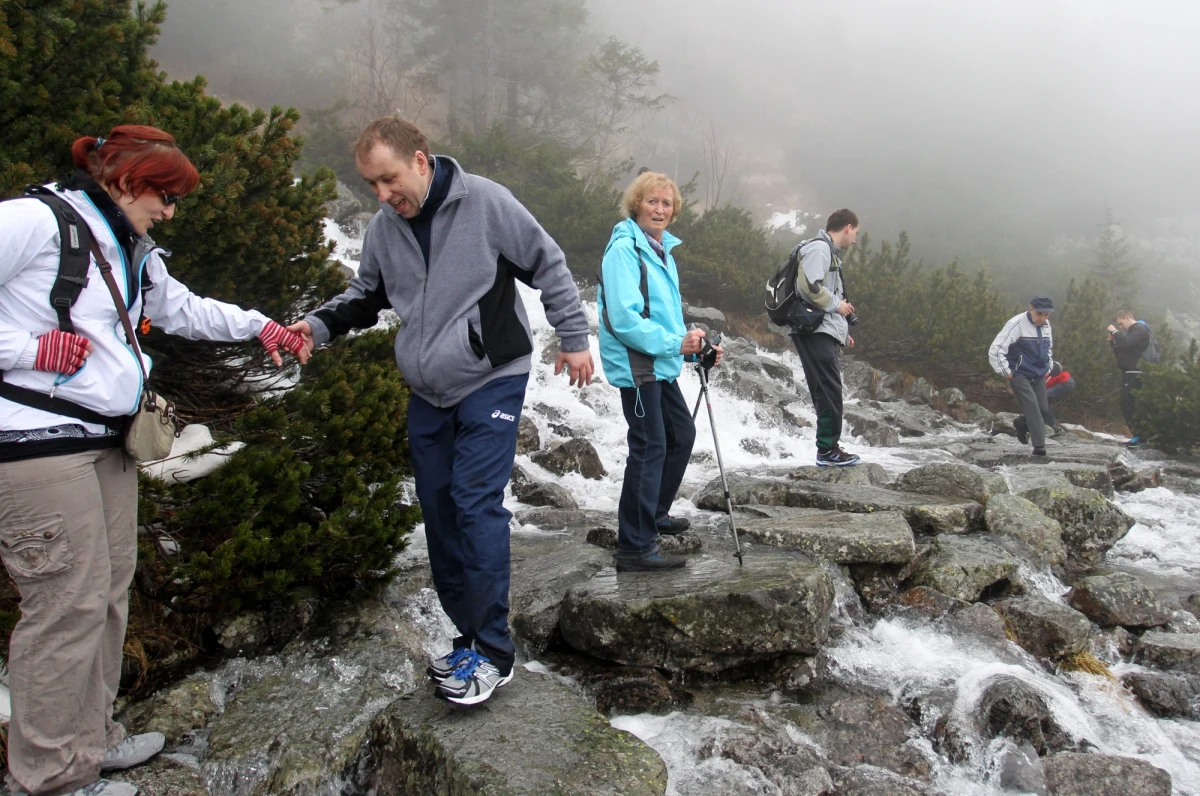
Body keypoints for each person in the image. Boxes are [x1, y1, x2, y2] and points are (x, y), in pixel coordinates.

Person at [0, 126, 309, 796]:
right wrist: (26, 351)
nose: (171, 211)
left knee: (108, 594)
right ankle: (47, 777)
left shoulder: (130, 247)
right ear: (125, 178)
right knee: (64, 605)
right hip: (33, 445)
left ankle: (92, 742)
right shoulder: (30, 222)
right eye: (164, 196)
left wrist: (260, 325)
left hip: (104, 442)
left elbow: (182, 311)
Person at [287, 116, 593, 706]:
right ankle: (469, 637)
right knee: (440, 511)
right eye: (371, 185)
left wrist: (574, 335)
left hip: (491, 376)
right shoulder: (384, 228)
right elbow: (365, 296)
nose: (381, 195)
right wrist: (317, 328)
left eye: (388, 179)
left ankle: (495, 654)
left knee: (475, 505)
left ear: (420, 160)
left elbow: (548, 261)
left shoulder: (484, 202)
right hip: (427, 391)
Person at [597, 171, 722, 573]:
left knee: (681, 436)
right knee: (650, 447)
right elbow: (624, 319)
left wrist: (693, 351)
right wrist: (675, 345)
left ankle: (654, 513)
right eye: (653, 201)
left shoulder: (661, 251)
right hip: (637, 366)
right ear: (637, 204)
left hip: (659, 364)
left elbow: (664, 319)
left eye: (667, 204)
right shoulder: (624, 251)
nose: (660, 209)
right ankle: (634, 546)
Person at [791, 209, 861, 466]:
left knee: (826, 389)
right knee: (829, 389)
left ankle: (828, 448)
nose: (855, 240)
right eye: (856, 233)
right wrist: (837, 306)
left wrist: (841, 330)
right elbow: (807, 287)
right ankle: (828, 450)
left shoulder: (826, 251)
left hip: (821, 330)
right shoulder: (820, 250)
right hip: (814, 330)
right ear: (847, 227)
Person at [989, 296, 1055, 457]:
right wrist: (1006, 371)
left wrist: (1049, 366)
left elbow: (1048, 349)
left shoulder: (1046, 325)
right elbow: (996, 350)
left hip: (1039, 373)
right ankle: (1039, 447)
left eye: (1046, 315)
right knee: (1032, 406)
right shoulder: (1016, 324)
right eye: (1039, 314)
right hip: (1019, 374)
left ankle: (1021, 423)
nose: (1042, 318)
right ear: (1031, 308)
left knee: (1043, 409)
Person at [1108, 309, 1151, 448]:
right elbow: (1123, 352)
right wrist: (1114, 343)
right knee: (1129, 403)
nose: (1121, 327)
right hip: (1130, 372)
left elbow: (1127, 344)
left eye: (1121, 323)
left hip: (1136, 372)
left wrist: (1115, 332)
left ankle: (1139, 436)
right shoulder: (1132, 333)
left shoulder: (1139, 328)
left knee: (1128, 403)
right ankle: (1139, 436)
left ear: (1127, 318)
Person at [1044, 360, 1075, 431]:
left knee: (1043, 398)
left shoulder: (1047, 368)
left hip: (1065, 382)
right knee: (1046, 400)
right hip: (1067, 381)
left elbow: (1057, 367)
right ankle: (1050, 422)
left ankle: (1050, 423)